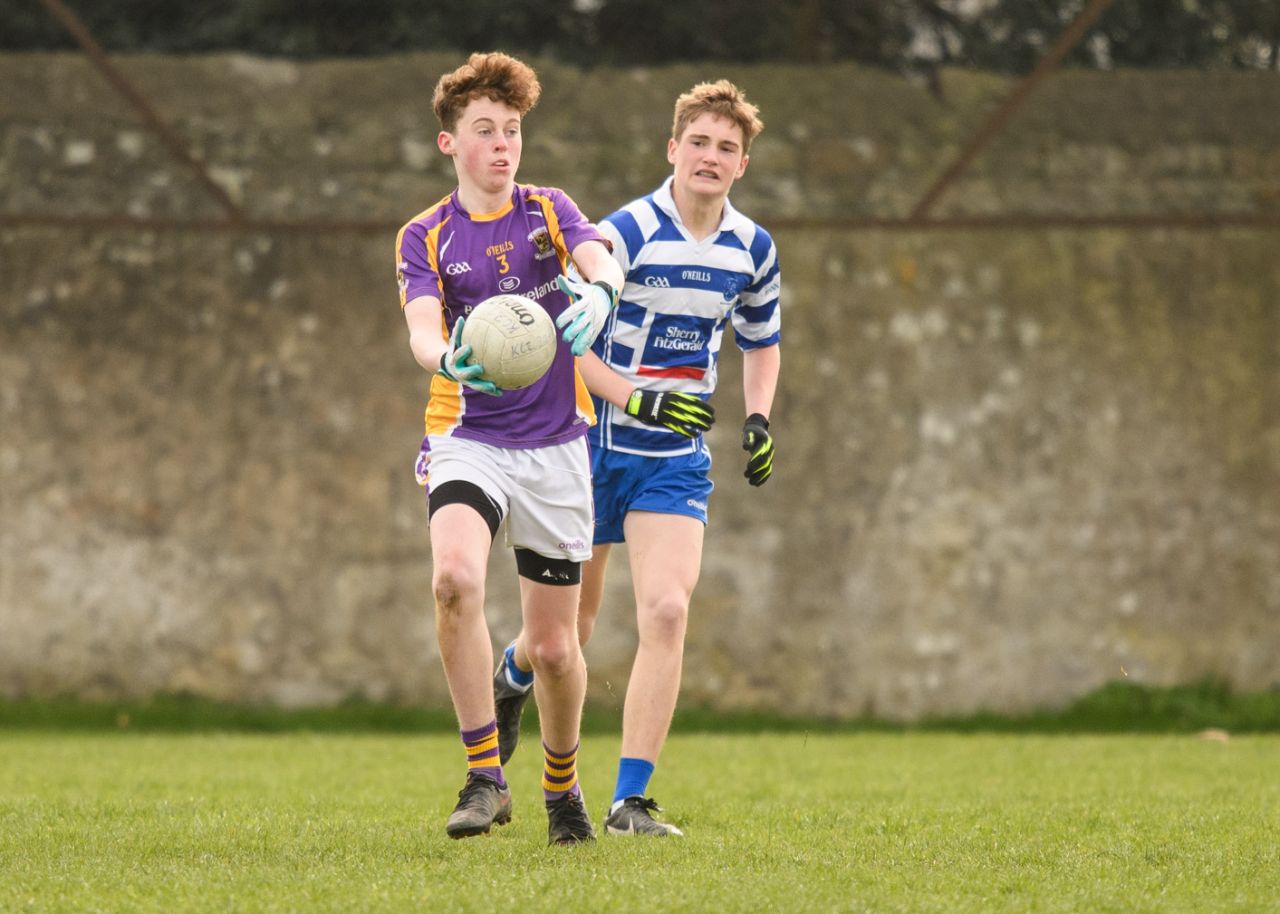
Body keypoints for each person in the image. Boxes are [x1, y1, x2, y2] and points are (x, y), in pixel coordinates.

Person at [494, 79, 781, 836]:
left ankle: (630, 801)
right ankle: (514, 671)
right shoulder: (623, 234)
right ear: (672, 149)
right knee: (570, 635)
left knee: (666, 609)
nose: (710, 158)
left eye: (727, 148)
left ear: (743, 164)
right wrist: (638, 397)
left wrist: (758, 420)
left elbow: (762, 339)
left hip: (673, 462)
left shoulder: (752, 248)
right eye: (699, 143)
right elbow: (569, 345)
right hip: (587, 449)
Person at [396, 51, 624, 845]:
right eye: (484, 130)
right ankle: (484, 776)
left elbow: (603, 259)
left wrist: (600, 292)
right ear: (448, 144)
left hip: (558, 444)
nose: (502, 144)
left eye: (513, 130)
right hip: (468, 435)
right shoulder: (426, 234)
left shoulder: (550, 210)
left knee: (557, 648)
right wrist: (444, 355)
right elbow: (423, 327)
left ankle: (561, 788)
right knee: (455, 579)